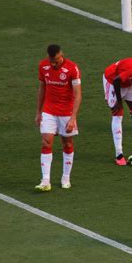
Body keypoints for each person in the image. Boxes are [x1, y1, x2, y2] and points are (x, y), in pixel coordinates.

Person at [35, 44, 82, 192]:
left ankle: (66, 177)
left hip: (66, 113)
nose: (53, 64)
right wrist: (38, 112)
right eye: (51, 61)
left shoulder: (72, 69)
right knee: (46, 142)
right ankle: (45, 180)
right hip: (48, 111)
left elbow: (77, 94)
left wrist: (73, 117)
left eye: (56, 61)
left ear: (61, 54)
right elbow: (42, 88)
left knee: (67, 144)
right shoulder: (43, 66)